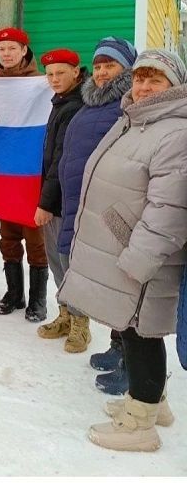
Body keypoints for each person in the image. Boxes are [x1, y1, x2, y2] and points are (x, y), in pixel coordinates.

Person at [57, 49, 187, 452]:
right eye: (140, 79)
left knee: (139, 332)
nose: (144, 87)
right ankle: (153, 404)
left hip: (141, 258)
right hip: (122, 248)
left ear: (175, 86)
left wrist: (140, 258)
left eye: (156, 80)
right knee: (135, 332)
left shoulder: (176, 132)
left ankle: (141, 425)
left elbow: (170, 207)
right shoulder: (133, 121)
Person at [56, 37, 137, 391]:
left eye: (111, 65)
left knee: (124, 288)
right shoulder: (92, 103)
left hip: (112, 211)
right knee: (107, 285)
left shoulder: (127, 105)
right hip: (82, 204)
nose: (103, 72)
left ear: (127, 69)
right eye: (100, 65)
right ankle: (118, 348)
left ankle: (134, 366)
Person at [0, 27, 49, 321]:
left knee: (35, 236)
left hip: (31, 172)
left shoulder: (41, 84)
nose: (7, 53)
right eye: (2, 49)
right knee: (8, 235)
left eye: (13, 48)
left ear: (25, 51)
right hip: (2, 170)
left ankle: (39, 300)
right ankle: (14, 293)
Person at [33, 48, 87, 349]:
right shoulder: (61, 102)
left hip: (64, 200)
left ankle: (81, 323)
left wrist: (46, 202)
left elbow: (60, 159)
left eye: (61, 73)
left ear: (76, 72)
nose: (54, 78)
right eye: (50, 74)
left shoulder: (75, 105)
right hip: (56, 197)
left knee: (68, 262)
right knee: (56, 260)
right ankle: (65, 313)